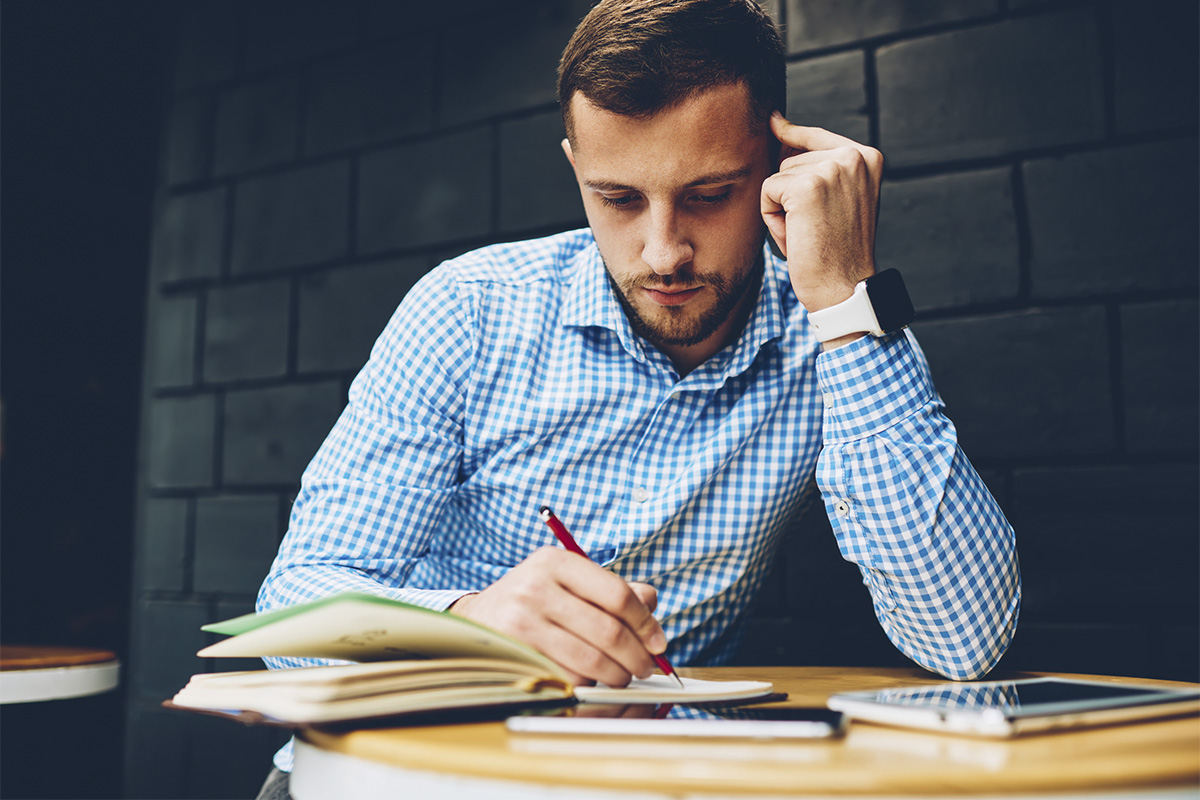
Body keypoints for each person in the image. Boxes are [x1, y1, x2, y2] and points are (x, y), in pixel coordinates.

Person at [253, 0, 1020, 796]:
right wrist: (465, 626)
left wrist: (845, 300)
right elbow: (292, 616)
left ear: (777, 163)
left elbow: (962, 642)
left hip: (646, 781)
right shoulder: (469, 309)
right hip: (401, 778)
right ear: (574, 165)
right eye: (618, 200)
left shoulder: (834, 332)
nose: (664, 252)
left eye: (711, 193)